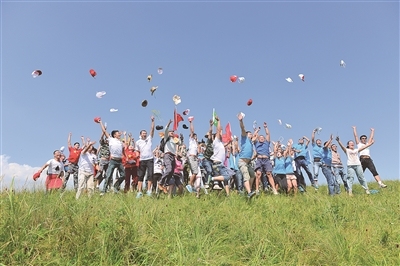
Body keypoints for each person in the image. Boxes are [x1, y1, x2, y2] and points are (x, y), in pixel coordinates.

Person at [98, 121, 125, 195]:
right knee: (109, 175)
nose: (119, 134)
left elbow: (123, 150)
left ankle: (116, 187)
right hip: (113, 161)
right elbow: (104, 130)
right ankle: (104, 190)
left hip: (119, 161)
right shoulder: (110, 139)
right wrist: (101, 123)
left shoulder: (120, 142)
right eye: (118, 133)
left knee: (123, 175)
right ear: (114, 135)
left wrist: (125, 156)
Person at [209, 116, 232, 197]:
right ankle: (211, 179)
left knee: (224, 181)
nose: (221, 134)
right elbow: (218, 130)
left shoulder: (220, 144)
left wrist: (230, 142)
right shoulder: (216, 141)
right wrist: (219, 121)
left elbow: (226, 144)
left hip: (219, 164)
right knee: (227, 177)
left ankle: (228, 195)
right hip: (217, 164)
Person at [254, 122, 278, 195]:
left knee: (269, 174)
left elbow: (267, 134)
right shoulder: (256, 143)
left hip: (266, 160)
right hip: (259, 160)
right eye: (260, 138)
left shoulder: (266, 143)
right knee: (258, 174)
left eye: (263, 138)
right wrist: (257, 130)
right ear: (258, 139)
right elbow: (254, 136)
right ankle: (257, 190)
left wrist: (265, 127)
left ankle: (274, 190)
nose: (261, 138)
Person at [237, 113, 256, 199]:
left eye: (251, 134)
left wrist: (257, 130)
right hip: (242, 162)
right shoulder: (244, 138)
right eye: (250, 134)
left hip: (248, 163)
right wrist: (241, 121)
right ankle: (249, 192)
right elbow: (242, 128)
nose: (251, 135)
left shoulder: (251, 143)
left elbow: (256, 136)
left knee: (253, 175)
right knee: (246, 176)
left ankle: (249, 189)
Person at [135, 116, 156, 198]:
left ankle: (149, 191)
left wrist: (152, 121)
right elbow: (137, 151)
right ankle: (139, 192)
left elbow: (152, 129)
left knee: (150, 175)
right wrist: (137, 156)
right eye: (143, 133)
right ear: (140, 134)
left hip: (150, 159)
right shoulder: (138, 142)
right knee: (140, 176)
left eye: (145, 133)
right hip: (142, 160)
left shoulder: (149, 139)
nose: (145, 134)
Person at [158, 119, 180, 192]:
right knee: (169, 169)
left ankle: (166, 182)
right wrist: (169, 123)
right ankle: (161, 182)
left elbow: (179, 143)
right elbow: (166, 129)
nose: (172, 133)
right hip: (167, 155)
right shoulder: (166, 138)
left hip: (173, 156)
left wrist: (178, 139)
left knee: (171, 172)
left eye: (173, 132)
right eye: (170, 132)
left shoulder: (174, 140)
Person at [187, 117, 199, 194]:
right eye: (194, 136)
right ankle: (189, 184)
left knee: (195, 173)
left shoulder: (195, 143)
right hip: (191, 156)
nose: (195, 137)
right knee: (195, 172)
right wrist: (191, 122)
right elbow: (192, 130)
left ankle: (192, 186)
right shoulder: (191, 140)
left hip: (194, 158)